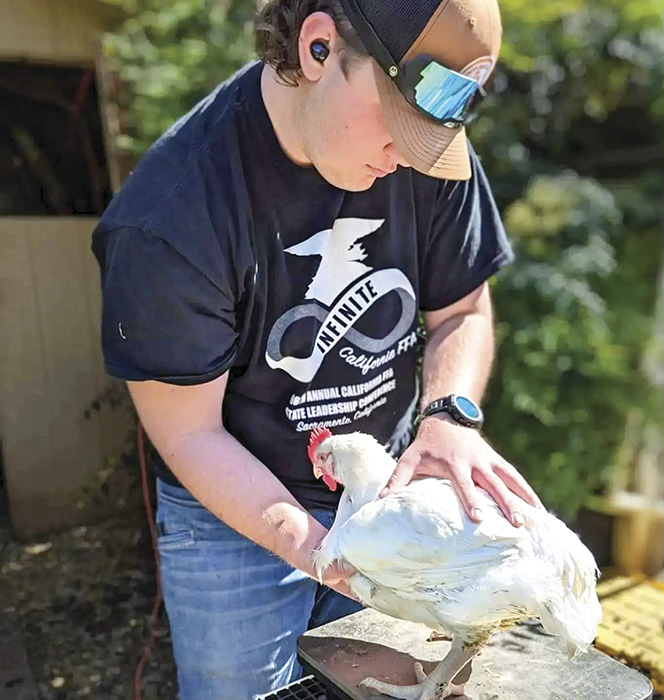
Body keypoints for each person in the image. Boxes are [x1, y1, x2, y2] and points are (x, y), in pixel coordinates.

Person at [92, 0, 545, 697]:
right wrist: (331, 556)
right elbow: (190, 434)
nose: (407, 158)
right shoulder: (171, 221)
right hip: (229, 511)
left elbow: (463, 307)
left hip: (382, 489)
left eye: (430, 137)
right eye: (398, 126)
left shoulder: (425, 148)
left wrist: (449, 417)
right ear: (318, 49)